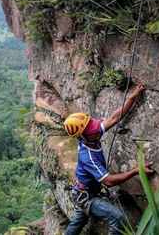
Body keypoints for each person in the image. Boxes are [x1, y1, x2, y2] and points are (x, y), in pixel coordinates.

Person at [63, 83, 153, 235]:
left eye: (93, 125)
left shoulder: (91, 136)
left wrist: (132, 96)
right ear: (84, 135)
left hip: (82, 192)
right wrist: (137, 170)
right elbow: (109, 181)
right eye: (92, 129)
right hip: (87, 197)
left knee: (79, 220)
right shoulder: (88, 156)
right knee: (117, 217)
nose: (97, 128)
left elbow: (115, 117)